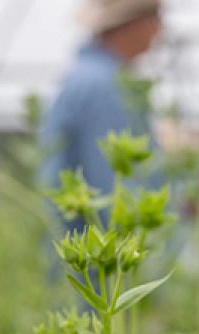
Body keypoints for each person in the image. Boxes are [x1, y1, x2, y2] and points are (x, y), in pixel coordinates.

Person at [39, 0, 163, 198]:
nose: (160, 31)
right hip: (104, 228)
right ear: (132, 24)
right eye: (156, 18)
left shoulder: (87, 76)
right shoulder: (104, 86)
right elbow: (110, 187)